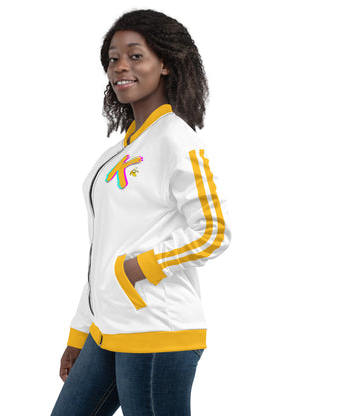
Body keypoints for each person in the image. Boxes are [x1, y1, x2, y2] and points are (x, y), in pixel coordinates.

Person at [51, 9, 231, 416]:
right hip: (108, 329)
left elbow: (213, 231)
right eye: (113, 58)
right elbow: (105, 247)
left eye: (135, 56)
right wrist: (80, 330)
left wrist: (140, 267)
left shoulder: (176, 140)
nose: (120, 67)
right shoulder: (117, 153)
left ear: (165, 64)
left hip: (157, 329)